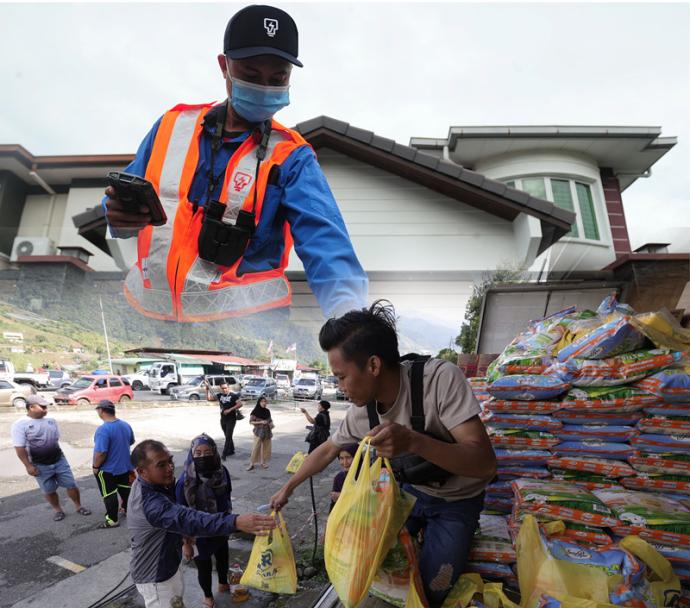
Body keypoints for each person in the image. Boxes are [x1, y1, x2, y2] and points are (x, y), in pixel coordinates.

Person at [102, 4, 368, 323]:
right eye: (252, 75)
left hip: (248, 333)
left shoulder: (293, 158)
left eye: (278, 77)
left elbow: (327, 248)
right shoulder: (172, 127)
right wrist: (116, 214)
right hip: (147, 321)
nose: (265, 88)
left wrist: (351, 325)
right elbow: (121, 204)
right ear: (224, 66)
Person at [270, 301, 497, 608]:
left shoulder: (439, 380)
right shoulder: (361, 411)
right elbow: (327, 450)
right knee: (364, 560)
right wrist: (289, 486)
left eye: (341, 376)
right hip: (407, 494)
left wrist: (415, 442)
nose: (339, 387)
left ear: (373, 366)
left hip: (458, 502)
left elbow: (484, 464)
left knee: (434, 587)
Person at [128, 439, 275, 608]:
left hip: (169, 565)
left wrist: (185, 537)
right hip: (155, 578)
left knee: (178, 599)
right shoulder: (151, 503)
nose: (170, 468)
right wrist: (236, 522)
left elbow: (178, 519)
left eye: (170, 461)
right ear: (142, 471)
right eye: (161, 465)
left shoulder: (156, 485)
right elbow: (188, 518)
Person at [11, 395, 92, 522]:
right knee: (49, 490)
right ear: (31, 407)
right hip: (39, 465)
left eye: (46, 407)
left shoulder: (51, 421)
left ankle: (79, 506)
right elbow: (19, 448)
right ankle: (58, 510)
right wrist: (28, 466)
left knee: (71, 485)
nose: (45, 409)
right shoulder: (20, 424)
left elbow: (55, 440)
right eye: (42, 407)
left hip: (59, 460)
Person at [176, 434, 233, 608]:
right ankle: (208, 596)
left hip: (221, 526)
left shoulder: (222, 473)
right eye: (198, 453)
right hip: (198, 534)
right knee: (204, 565)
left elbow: (227, 497)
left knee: (223, 557)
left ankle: (223, 583)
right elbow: (180, 516)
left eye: (207, 452)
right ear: (191, 454)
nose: (203, 457)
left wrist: (230, 522)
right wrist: (185, 543)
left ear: (214, 452)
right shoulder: (184, 481)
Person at [92, 400, 135, 529]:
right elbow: (131, 441)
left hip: (107, 469)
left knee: (109, 494)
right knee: (125, 490)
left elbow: (101, 452)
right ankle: (129, 511)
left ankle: (112, 520)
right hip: (125, 466)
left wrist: (95, 467)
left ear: (101, 411)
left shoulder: (103, 429)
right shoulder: (125, 425)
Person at [329, 443, 357, 512]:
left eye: (348, 457)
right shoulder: (339, 478)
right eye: (341, 458)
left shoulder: (367, 475)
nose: (345, 462)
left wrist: (342, 496)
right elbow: (335, 506)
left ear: (357, 457)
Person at [246, 396, 272, 471]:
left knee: (266, 448)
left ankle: (263, 462)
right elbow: (251, 422)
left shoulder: (267, 411)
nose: (264, 403)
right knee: (256, 448)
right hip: (258, 431)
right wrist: (261, 422)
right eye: (262, 401)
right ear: (259, 402)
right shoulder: (255, 411)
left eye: (265, 402)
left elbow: (270, 420)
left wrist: (271, 423)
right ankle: (252, 463)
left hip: (267, 431)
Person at [217, 383, 242, 459]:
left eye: (225, 388)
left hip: (231, 419)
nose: (224, 389)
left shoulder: (233, 395)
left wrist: (230, 410)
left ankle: (224, 453)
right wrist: (207, 389)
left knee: (228, 436)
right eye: (222, 388)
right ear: (220, 388)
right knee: (227, 435)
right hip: (223, 419)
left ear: (228, 387)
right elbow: (209, 398)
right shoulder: (220, 395)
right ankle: (231, 450)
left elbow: (240, 404)